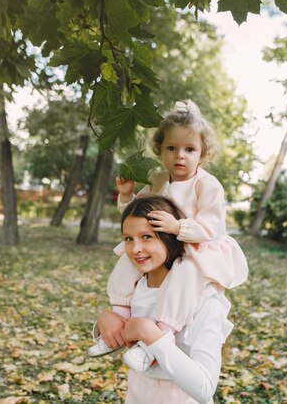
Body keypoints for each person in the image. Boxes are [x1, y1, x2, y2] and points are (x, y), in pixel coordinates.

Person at [88, 100, 248, 372]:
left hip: (196, 246)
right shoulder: (159, 180)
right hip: (161, 245)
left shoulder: (206, 185)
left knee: (185, 274)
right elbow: (137, 215)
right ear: (160, 150)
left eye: (189, 149)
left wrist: (178, 227)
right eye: (171, 148)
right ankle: (119, 322)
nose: (180, 156)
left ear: (203, 153)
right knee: (127, 259)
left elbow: (212, 229)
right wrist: (127, 194)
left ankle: (155, 339)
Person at [95, 196, 233, 404]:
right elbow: (126, 334)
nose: (135, 249)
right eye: (128, 238)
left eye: (147, 237)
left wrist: (153, 337)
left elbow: (205, 389)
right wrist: (103, 322)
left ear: (169, 237)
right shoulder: (136, 286)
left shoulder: (204, 299)